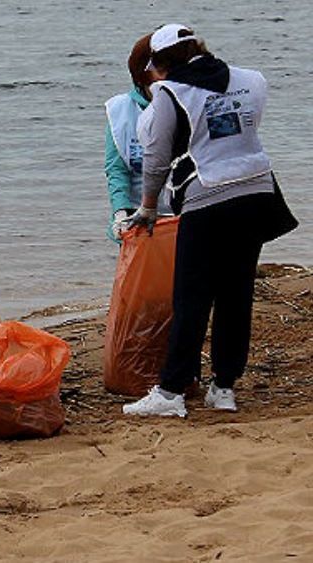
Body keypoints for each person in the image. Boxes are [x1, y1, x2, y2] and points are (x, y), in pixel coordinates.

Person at [122, 24, 297, 418]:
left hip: (208, 200)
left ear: (162, 64)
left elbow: (155, 158)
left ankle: (170, 393)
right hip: (256, 194)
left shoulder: (170, 92)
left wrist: (148, 206)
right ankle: (224, 388)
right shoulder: (251, 80)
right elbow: (245, 130)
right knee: (236, 295)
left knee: (192, 297)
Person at [104, 33, 171, 242]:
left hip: (186, 214)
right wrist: (120, 213)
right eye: (161, 71)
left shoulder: (187, 100)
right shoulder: (120, 110)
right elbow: (117, 170)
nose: (168, 79)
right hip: (139, 216)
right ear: (142, 76)